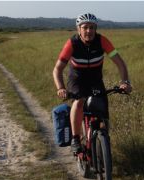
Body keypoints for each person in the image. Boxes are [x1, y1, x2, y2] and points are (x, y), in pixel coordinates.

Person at [53, 13, 133, 154]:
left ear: (96, 29)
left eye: (92, 27)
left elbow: (120, 64)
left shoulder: (102, 41)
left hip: (96, 80)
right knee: (79, 102)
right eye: (85, 27)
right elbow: (57, 69)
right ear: (79, 29)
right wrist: (61, 88)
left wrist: (125, 82)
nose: (88, 31)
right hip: (77, 79)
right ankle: (76, 139)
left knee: (102, 112)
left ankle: (103, 145)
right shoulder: (72, 43)